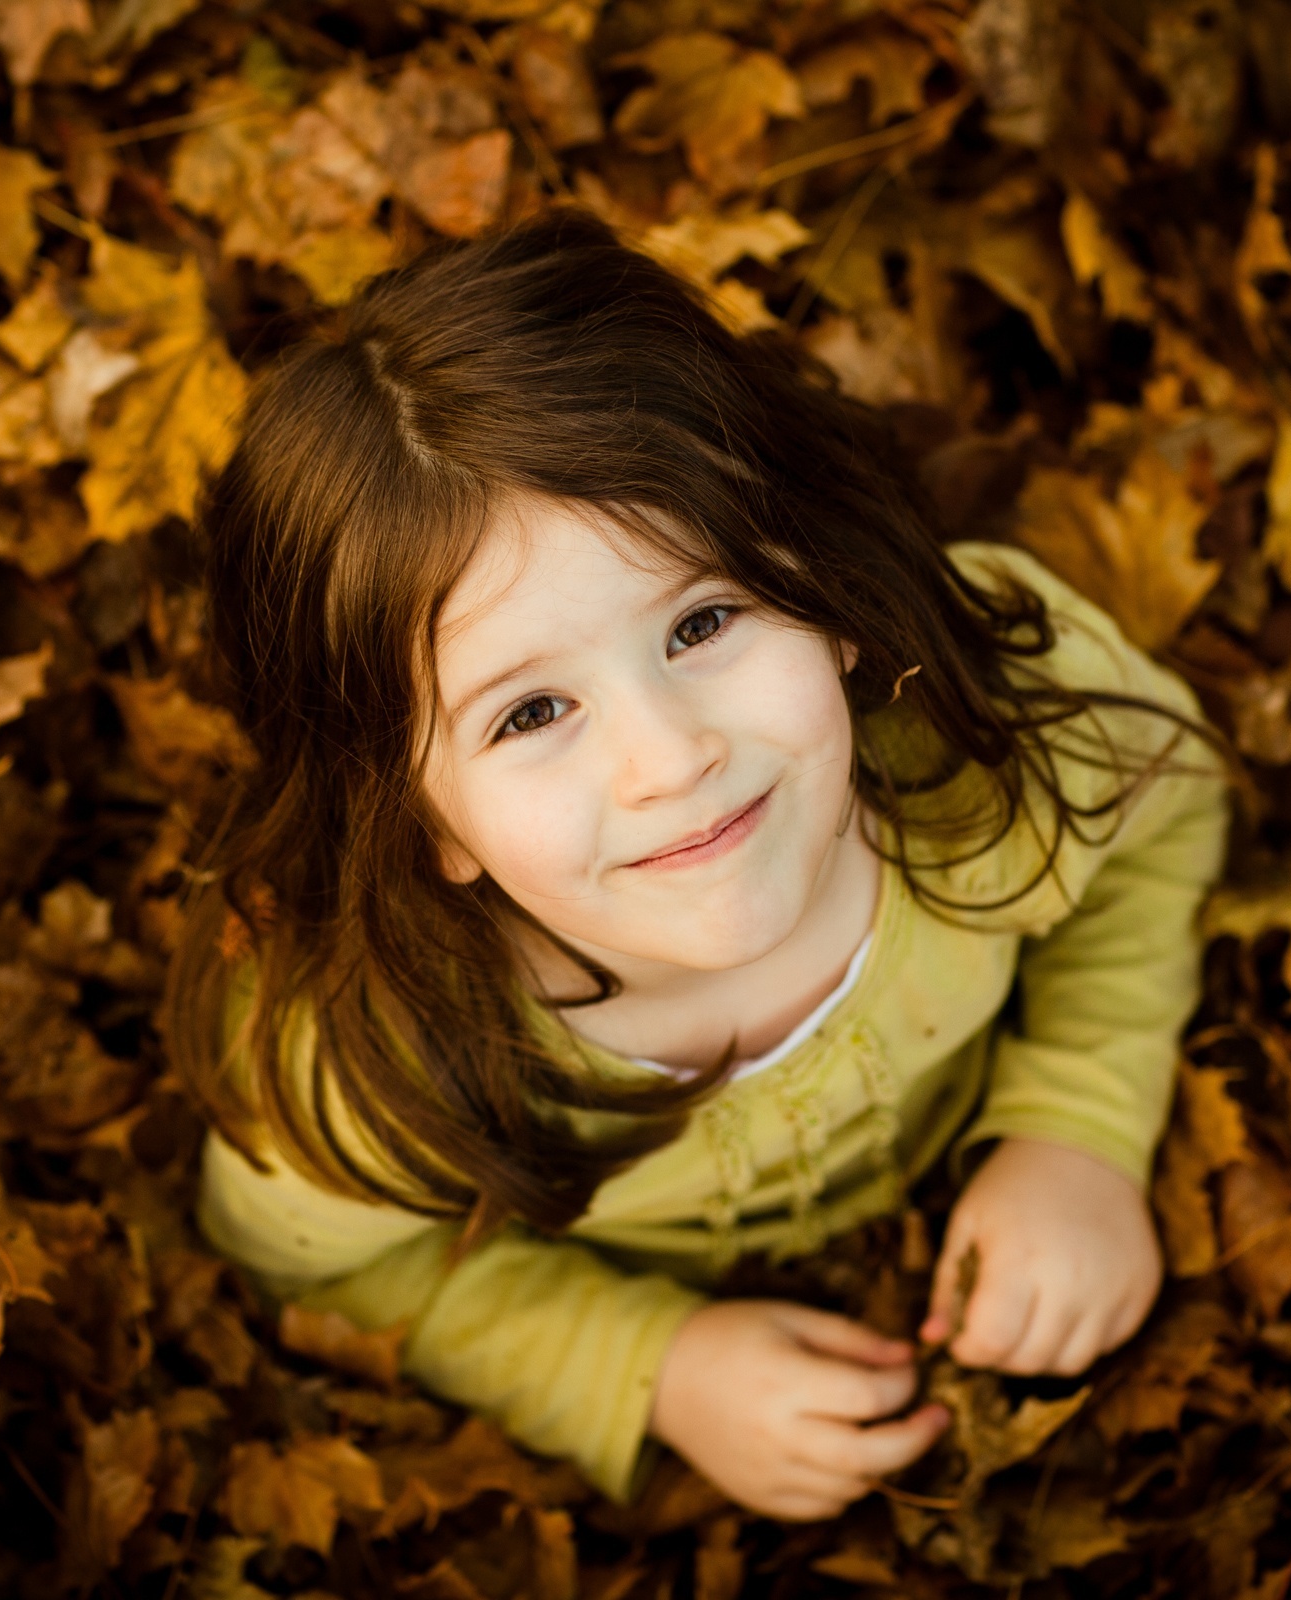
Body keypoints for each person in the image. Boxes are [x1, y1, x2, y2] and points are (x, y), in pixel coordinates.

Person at [165, 211, 1228, 1521]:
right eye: (530, 714)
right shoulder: (374, 1054)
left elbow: (1158, 821)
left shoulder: (990, 734)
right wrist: (648, 1365)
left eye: (705, 619)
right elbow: (326, 1271)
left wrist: (1080, 1122)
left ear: (820, 590)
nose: (670, 759)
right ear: (421, 819)